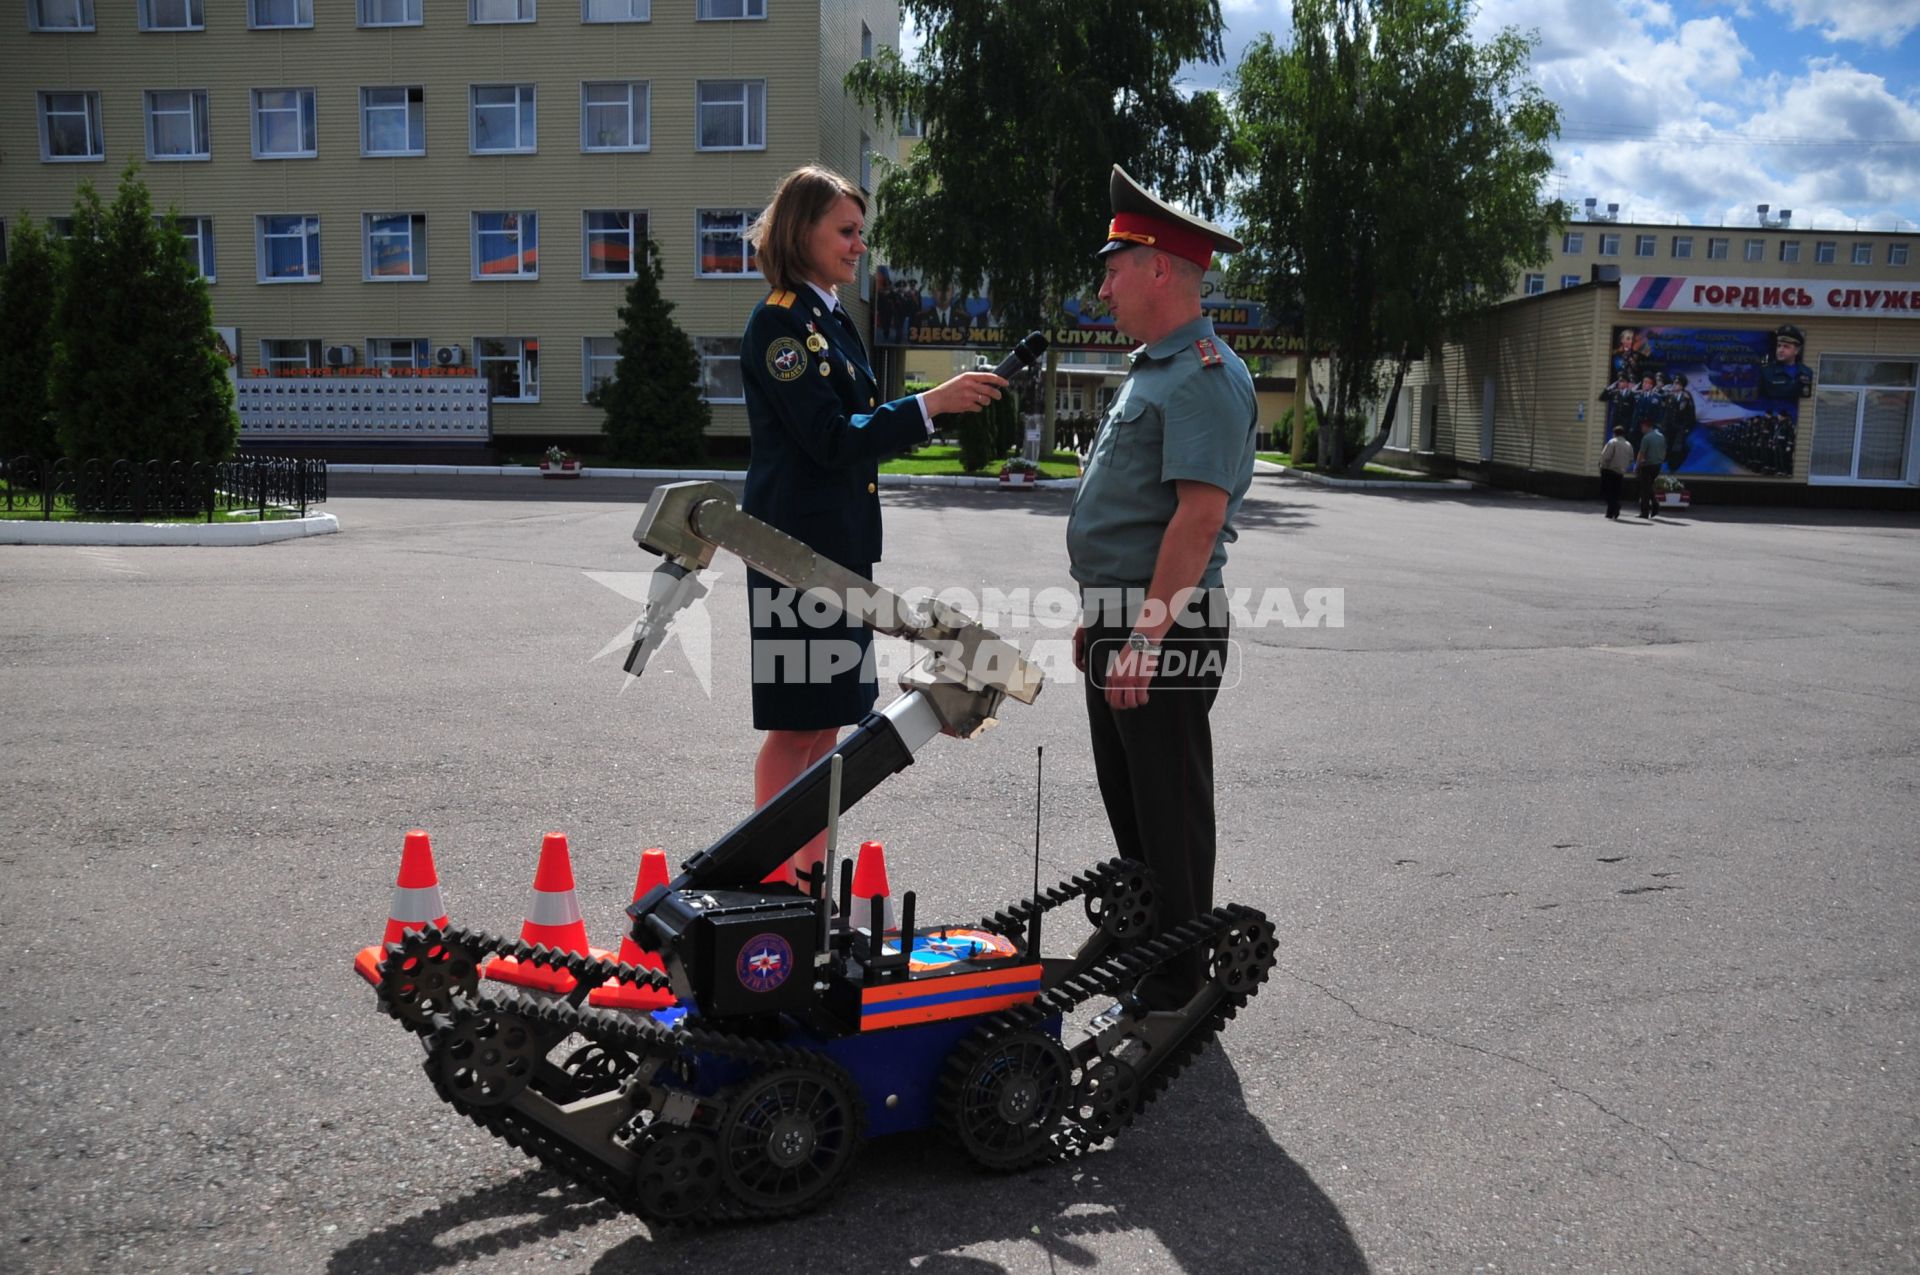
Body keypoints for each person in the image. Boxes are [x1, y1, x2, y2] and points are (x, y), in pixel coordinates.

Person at [740, 166, 1008, 885]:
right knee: (795, 722)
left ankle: (809, 874)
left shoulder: (831, 318)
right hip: (793, 556)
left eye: (862, 232)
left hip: (839, 553)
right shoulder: (780, 324)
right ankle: (763, 876)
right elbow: (830, 436)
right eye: (847, 231)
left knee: (826, 723)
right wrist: (931, 404)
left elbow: (852, 433)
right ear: (804, 232)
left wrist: (930, 406)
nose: (860, 245)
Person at [1066, 165, 1257, 1010]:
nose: (1103, 285)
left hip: (1165, 628)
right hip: (1123, 615)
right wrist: (1100, 615)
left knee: (1170, 805)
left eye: (1114, 268)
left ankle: (1180, 974)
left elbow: (1196, 522)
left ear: (1158, 270)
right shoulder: (1156, 369)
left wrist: (1145, 636)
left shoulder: (1205, 375)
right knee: (1133, 798)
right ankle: (1148, 933)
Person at [1757, 323, 1814, 401]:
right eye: (1779, 346)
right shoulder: (1766, 372)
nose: (1780, 350)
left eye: (1786, 346)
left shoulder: (1807, 372)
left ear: (1796, 350)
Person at [1635, 407, 1669, 519]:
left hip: (1647, 466)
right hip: (1657, 465)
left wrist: (1637, 465)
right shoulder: (1661, 436)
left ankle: (1646, 512)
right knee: (1648, 487)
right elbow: (1664, 451)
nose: (1641, 429)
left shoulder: (1647, 438)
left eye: (1642, 427)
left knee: (1645, 490)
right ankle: (1655, 507)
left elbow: (1641, 453)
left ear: (1646, 426)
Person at [1599, 424, 1634, 520]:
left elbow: (1605, 456)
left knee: (1607, 491)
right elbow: (1631, 459)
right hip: (1621, 471)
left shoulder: (1612, 442)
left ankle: (1615, 506)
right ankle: (1610, 512)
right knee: (1616, 492)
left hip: (1609, 470)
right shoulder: (1628, 444)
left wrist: (1602, 465)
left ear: (1614, 433)